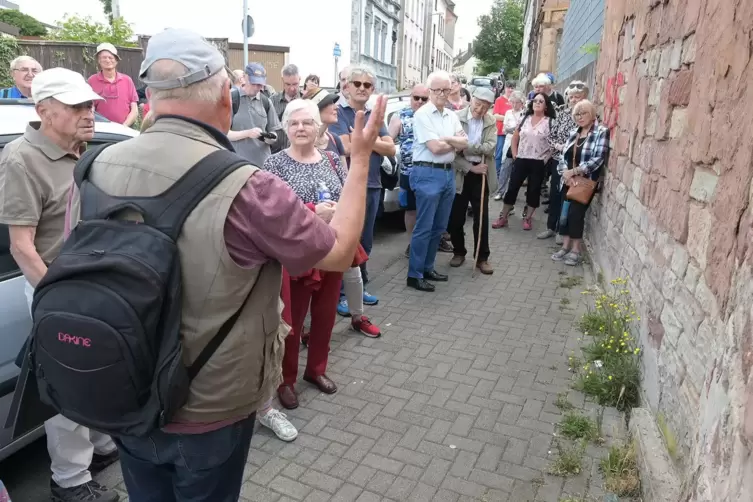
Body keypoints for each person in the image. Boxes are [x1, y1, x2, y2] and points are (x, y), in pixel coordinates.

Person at [63, 28, 387, 501]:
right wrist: (359, 160)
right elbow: (337, 252)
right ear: (223, 97)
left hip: (125, 386)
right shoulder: (247, 184)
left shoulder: (93, 167)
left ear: (150, 96)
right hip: (208, 405)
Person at [0, 68, 119, 502]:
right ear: (44, 111)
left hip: (89, 286)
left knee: (95, 376)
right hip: (55, 289)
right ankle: (70, 482)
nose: (89, 113)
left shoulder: (79, 150)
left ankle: (101, 447)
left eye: (90, 105)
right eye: (77, 106)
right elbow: (21, 247)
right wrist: (60, 298)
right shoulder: (21, 158)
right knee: (67, 386)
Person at [307, 88, 382, 338]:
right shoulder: (300, 139)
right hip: (311, 219)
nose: (336, 108)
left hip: (337, 216)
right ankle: (306, 329)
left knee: (352, 269)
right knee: (310, 278)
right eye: (330, 104)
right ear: (316, 111)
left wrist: (341, 207)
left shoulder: (335, 140)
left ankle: (358, 316)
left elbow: (344, 176)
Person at [329, 65, 395, 299]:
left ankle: (359, 287)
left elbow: (391, 148)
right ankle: (342, 294)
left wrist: (364, 140)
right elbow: (345, 147)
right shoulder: (337, 112)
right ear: (346, 87)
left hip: (374, 184)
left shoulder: (373, 114)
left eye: (367, 85)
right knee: (347, 242)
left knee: (365, 243)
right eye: (357, 84)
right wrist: (373, 139)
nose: (362, 88)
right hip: (349, 188)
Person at [407, 71, 468, 292]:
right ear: (430, 91)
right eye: (437, 90)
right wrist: (454, 142)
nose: (442, 94)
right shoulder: (423, 114)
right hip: (427, 172)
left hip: (447, 173)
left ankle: (427, 267)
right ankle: (414, 274)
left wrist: (448, 140)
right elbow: (434, 147)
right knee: (424, 226)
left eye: (446, 89)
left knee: (439, 227)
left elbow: (465, 142)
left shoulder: (451, 115)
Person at [552, 100, 609, 266]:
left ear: (591, 114)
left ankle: (576, 249)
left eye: (584, 113)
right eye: (577, 114)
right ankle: (565, 246)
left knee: (575, 215)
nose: (580, 117)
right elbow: (564, 157)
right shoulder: (573, 133)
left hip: (584, 182)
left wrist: (575, 172)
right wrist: (565, 174)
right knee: (564, 215)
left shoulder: (600, 132)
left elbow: (598, 159)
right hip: (568, 181)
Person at [448, 88, 497, 275]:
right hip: (461, 173)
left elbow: (490, 148)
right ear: (472, 100)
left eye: (485, 108)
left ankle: (482, 257)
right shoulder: (456, 117)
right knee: (456, 218)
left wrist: (466, 146)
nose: (480, 110)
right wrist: (470, 163)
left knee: (481, 217)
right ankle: (459, 252)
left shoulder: (490, 121)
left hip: (481, 175)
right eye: (478, 105)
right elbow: (452, 152)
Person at [493, 92, 556, 231]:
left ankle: (527, 218)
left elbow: (554, 143)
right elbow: (515, 137)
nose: (537, 103)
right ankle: (503, 216)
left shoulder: (550, 122)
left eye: (541, 101)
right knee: (512, 188)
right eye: (535, 100)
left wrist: (545, 158)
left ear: (546, 106)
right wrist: (515, 154)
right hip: (521, 158)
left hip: (538, 161)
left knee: (533, 190)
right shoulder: (524, 118)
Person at [539, 80, 589, 242]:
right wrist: (559, 146)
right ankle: (550, 227)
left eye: (578, 97)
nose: (574, 100)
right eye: (572, 96)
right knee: (555, 194)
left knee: (569, 197)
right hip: (558, 159)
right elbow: (551, 135)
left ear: (585, 98)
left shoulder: (589, 117)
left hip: (576, 163)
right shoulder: (562, 114)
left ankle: (563, 230)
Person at [388, 83, 430, 257]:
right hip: (408, 172)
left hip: (429, 172)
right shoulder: (400, 116)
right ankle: (411, 243)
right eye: (416, 98)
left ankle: (428, 242)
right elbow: (388, 140)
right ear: (411, 97)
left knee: (427, 209)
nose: (419, 101)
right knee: (411, 209)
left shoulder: (433, 116)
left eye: (424, 99)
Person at [228, 62, 282, 168]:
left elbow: (274, 131)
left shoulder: (266, 102)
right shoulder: (231, 99)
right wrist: (247, 133)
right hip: (238, 165)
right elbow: (224, 134)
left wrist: (271, 138)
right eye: (254, 83)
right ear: (244, 78)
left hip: (263, 165)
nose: (258, 87)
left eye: (260, 84)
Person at [87, 43, 139, 126]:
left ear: (116, 60)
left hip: (125, 130)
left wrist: (124, 127)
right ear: (99, 61)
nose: (107, 60)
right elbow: (88, 109)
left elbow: (134, 109)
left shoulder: (127, 80)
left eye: (110, 57)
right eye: (104, 57)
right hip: (101, 130)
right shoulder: (92, 81)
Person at [492, 91, 526, 204]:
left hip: (521, 142)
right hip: (508, 141)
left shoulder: (525, 114)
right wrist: (514, 128)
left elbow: (524, 129)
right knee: (504, 166)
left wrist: (514, 129)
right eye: (513, 102)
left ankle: (510, 192)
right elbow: (504, 129)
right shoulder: (508, 113)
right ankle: (500, 191)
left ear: (522, 103)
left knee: (516, 169)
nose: (515, 105)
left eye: (517, 102)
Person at [271, 64, 302, 153]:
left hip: (300, 154)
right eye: (288, 84)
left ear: (300, 79)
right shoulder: (272, 101)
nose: (292, 88)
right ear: (282, 80)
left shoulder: (306, 101)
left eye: (295, 84)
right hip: (277, 153)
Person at [492, 82, 515, 192]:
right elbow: (495, 115)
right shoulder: (499, 100)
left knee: (509, 157)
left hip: (513, 134)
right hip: (501, 132)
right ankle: (496, 176)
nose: (510, 90)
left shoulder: (515, 100)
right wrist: (509, 117)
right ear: (505, 88)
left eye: (512, 88)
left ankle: (506, 177)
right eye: (509, 87)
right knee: (499, 155)